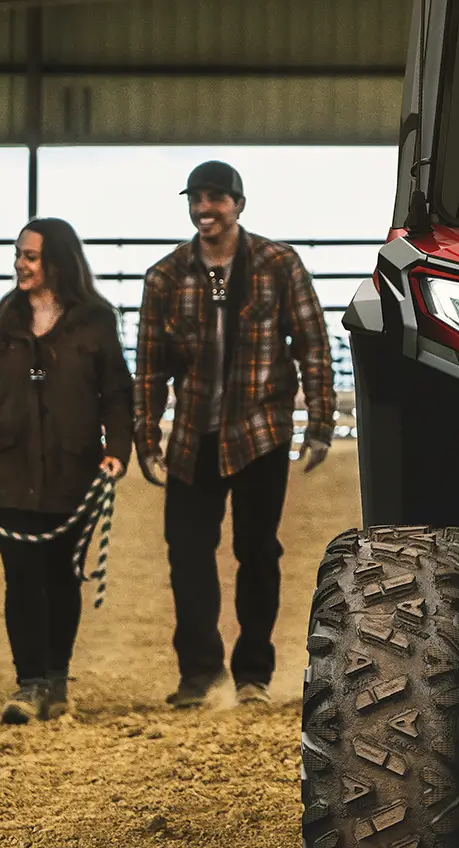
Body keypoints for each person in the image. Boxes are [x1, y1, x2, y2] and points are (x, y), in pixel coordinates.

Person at [0, 217, 132, 725]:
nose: (20, 264)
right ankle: (29, 683)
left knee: (62, 577)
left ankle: (57, 679)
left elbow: (117, 394)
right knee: (23, 579)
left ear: (58, 260)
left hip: (74, 474)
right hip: (8, 476)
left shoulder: (95, 321)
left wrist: (117, 449)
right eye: (18, 255)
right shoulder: (2, 323)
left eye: (30, 256)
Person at [133, 160, 335, 709]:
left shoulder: (278, 264)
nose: (205, 209)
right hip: (194, 433)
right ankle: (200, 674)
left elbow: (312, 343)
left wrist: (319, 423)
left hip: (259, 431)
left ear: (238, 204)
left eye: (216, 198)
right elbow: (149, 364)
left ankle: (253, 676)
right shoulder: (165, 276)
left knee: (257, 551)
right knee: (188, 552)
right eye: (197, 199)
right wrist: (145, 435)